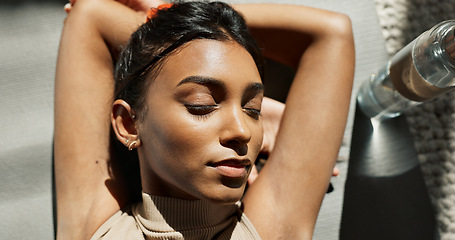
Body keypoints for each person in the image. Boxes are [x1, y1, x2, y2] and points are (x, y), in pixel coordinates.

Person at [54, 0, 355, 239]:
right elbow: (90, 15)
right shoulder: (97, 231)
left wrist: (173, 18)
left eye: (253, 109)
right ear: (129, 124)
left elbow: (332, 32)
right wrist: (179, 23)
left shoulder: (272, 229)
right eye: (203, 105)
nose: (241, 131)